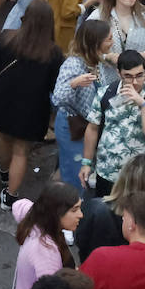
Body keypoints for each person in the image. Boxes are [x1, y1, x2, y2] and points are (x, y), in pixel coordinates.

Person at [0, 0, 65, 209]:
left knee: (3, 139)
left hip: (2, 101)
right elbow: (54, 85)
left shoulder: (6, 38)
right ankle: (10, 196)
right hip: (32, 108)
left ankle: (4, 172)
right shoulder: (53, 53)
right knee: (21, 150)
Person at [79, 49, 145, 196]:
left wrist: (143, 104)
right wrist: (86, 162)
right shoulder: (105, 93)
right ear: (118, 73)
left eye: (139, 75)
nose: (135, 82)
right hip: (106, 172)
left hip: (138, 177)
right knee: (106, 216)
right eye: (128, 76)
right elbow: (93, 128)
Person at [8, 182, 82, 289]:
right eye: (74, 210)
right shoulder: (46, 253)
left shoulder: (37, 217)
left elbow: (19, 205)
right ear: (56, 213)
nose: (81, 215)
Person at [50, 17, 111, 191]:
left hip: (90, 127)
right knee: (76, 176)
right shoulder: (73, 65)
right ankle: (71, 207)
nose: (112, 42)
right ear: (95, 43)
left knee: (75, 168)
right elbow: (58, 98)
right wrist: (74, 83)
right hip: (73, 128)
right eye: (109, 39)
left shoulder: (98, 61)